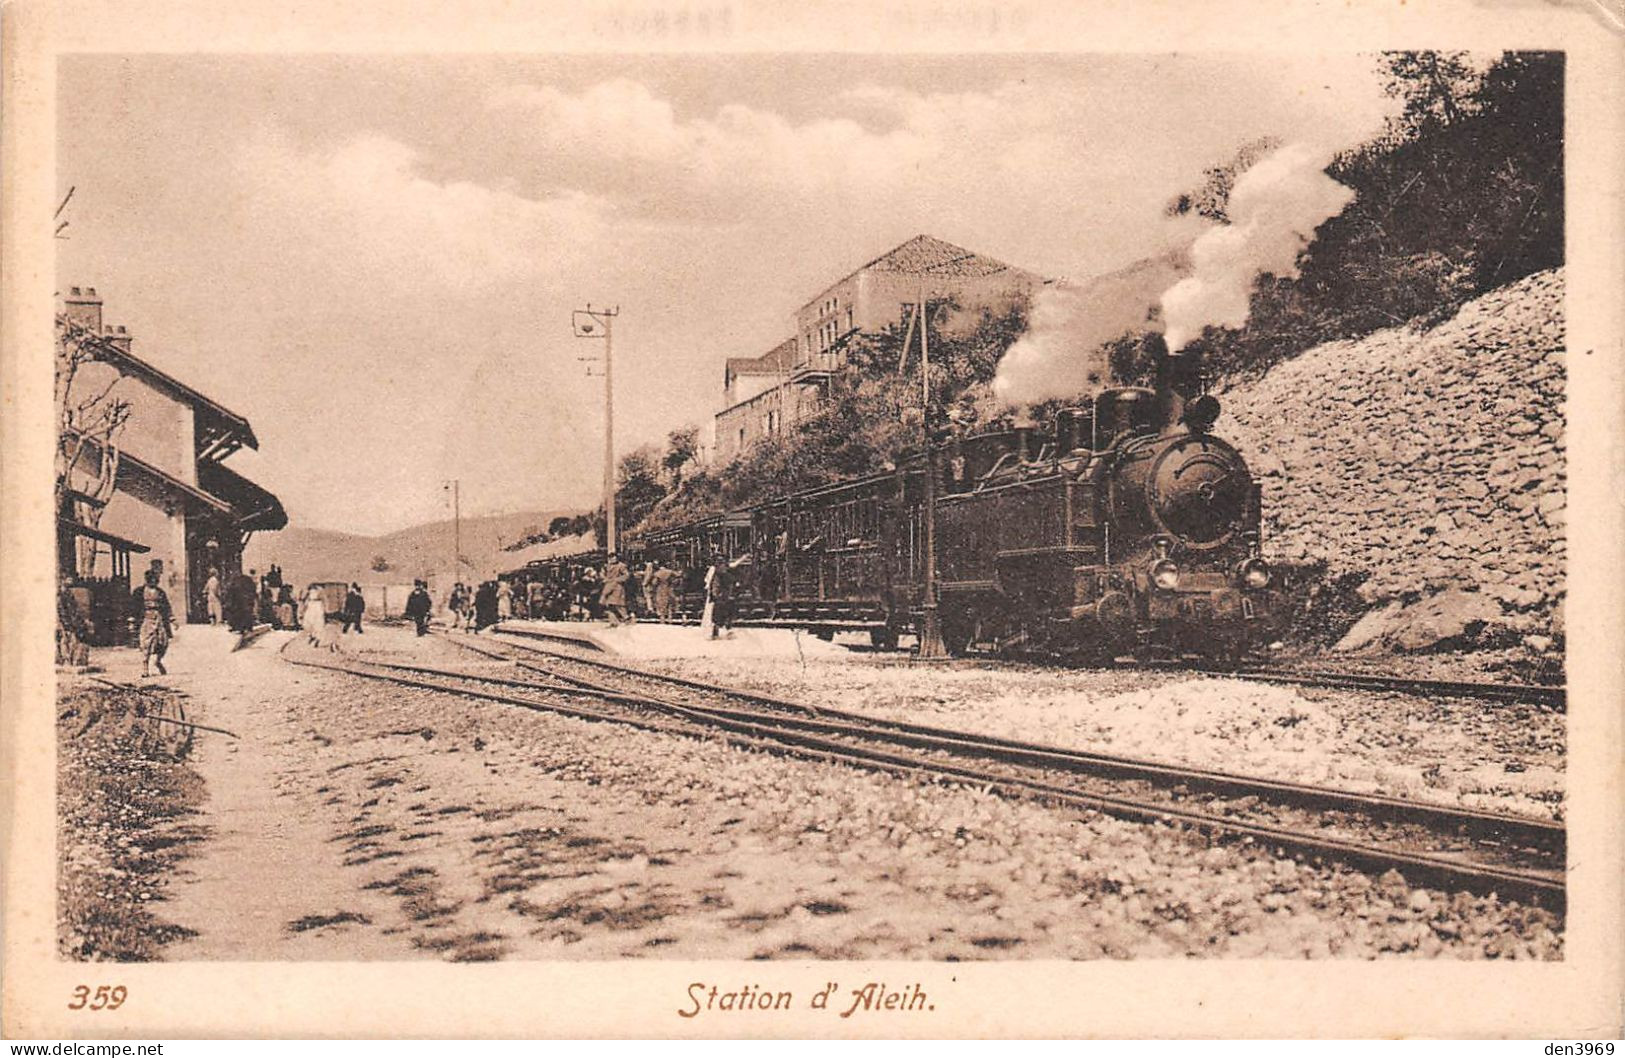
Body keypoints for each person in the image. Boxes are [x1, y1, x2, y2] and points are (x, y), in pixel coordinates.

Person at [132, 568, 176, 677]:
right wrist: (132, 621)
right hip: (146, 619)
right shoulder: (139, 592)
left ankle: (158, 661)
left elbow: (166, 606)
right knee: (146, 643)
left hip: (159, 619)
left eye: (156, 580)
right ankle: (145, 668)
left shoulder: (160, 592)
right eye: (152, 580)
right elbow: (133, 607)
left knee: (163, 642)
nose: (155, 582)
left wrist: (172, 620)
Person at [599, 555, 631, 627]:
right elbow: (601, 574)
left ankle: (626, 618)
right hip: (608, 587)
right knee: (609, 605)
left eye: (614, 558)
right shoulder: (606, 566)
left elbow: (626, 575)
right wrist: (604, 578)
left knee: (618, 604)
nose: (613, 560)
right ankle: (613, 622)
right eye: (611, 558)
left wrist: (617, 579)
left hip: (617, 587)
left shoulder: (621, 566)